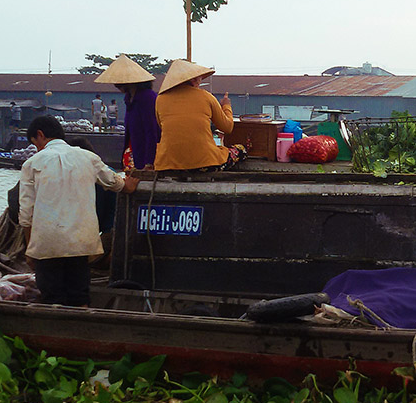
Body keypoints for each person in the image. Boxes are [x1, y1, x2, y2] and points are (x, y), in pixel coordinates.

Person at [18, 116, 139, 306]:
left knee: (52, 297)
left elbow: (26, 214)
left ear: (40, 135)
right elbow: (116, 183)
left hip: (47, 243)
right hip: (80, 243)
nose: (37, 149)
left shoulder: (31, 164)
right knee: (80, 294)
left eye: (36, 144)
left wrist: (29, 249)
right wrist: (130, 185)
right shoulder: (88, 157)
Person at [154, 59, 246, 171]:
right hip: (205, 163)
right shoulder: (206, 96)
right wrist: (226, 106)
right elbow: (227, 127)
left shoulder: (160, 99)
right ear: (193, 80)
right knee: (241, 150)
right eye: (199, 78)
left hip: (167, 164)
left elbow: (162, 126)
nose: (200, 81)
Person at [94, 55, 160, 169]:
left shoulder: (148, 97)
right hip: (136, 150)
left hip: (148, 154)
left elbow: (152, 130)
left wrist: (150, 161)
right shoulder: (129, 98)